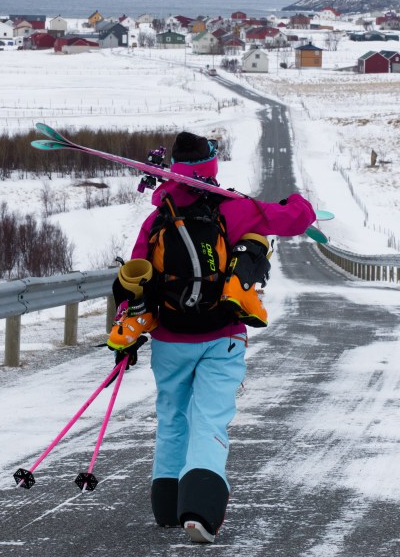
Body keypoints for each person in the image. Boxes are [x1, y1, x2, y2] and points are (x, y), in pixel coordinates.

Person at [107, 131, 316, 544]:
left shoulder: (157, 218)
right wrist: (298, 199)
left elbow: (135, 277)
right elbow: (297, 219)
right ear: (211, 165)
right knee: (210, 418)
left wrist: (126, 335)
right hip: (223, 334)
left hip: (169, 338)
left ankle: (167, 504)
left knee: (172, 416)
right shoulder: (236, 210)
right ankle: (200, 508)